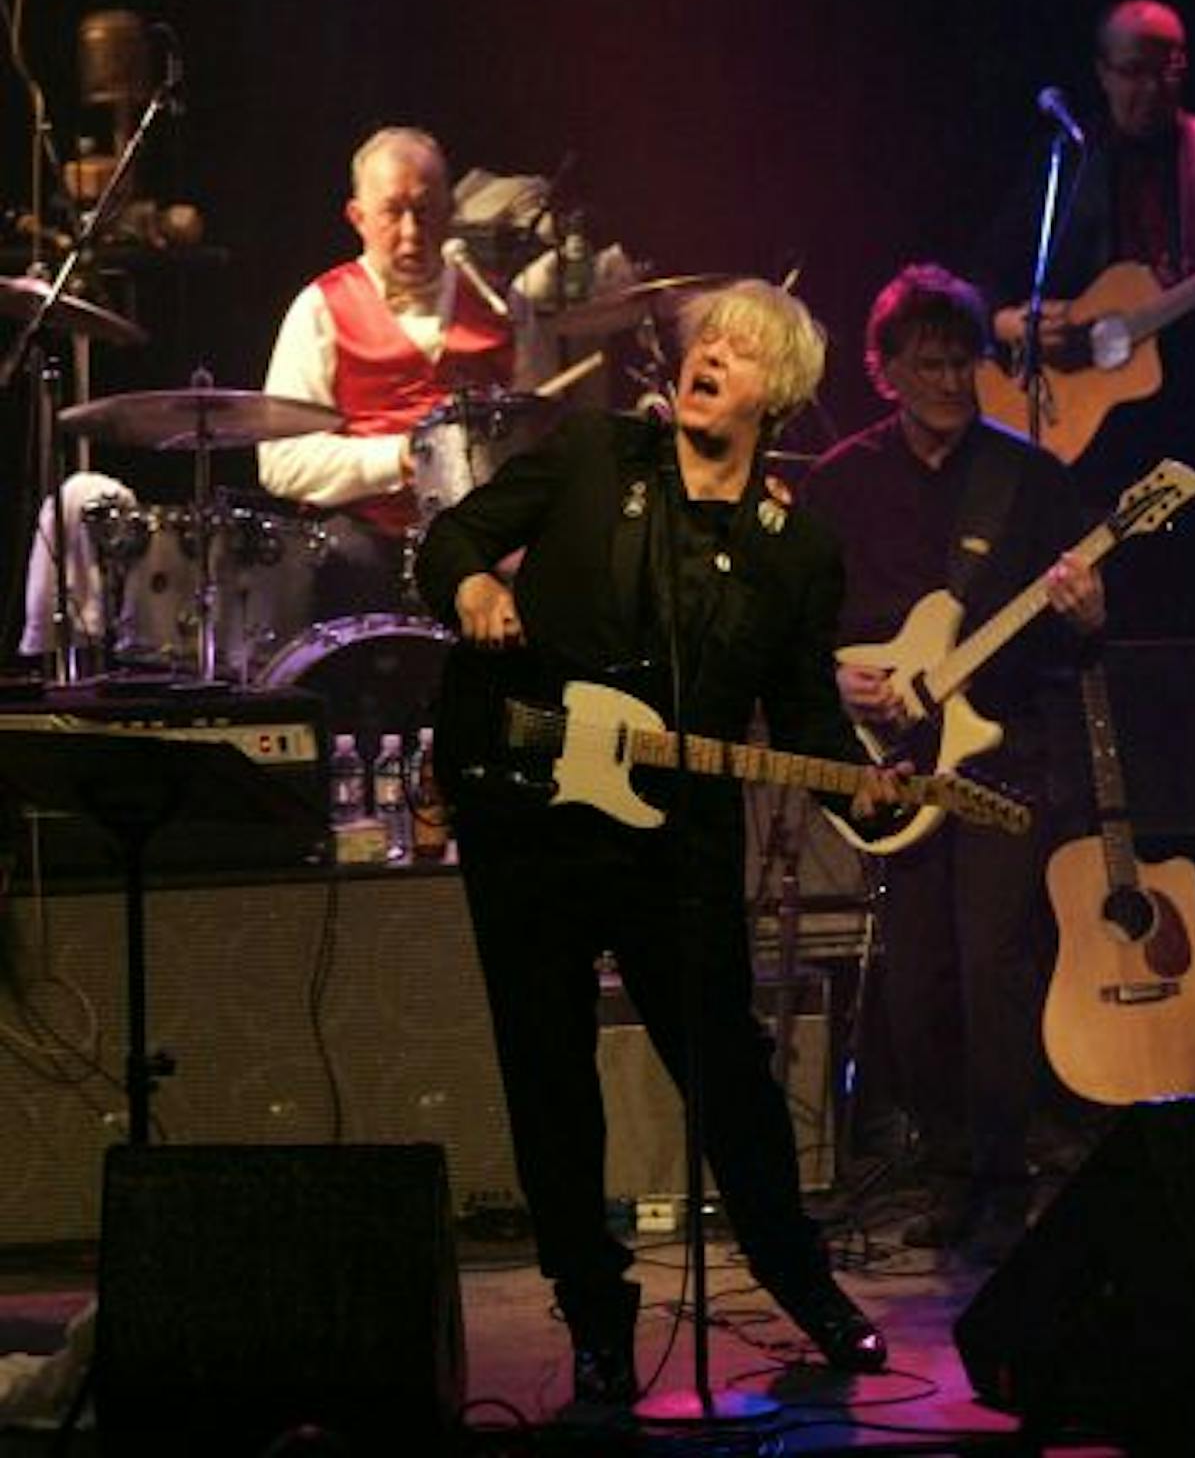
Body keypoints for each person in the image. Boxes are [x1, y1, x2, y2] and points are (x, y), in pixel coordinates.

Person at [414, 279, 895, 1403]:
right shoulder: (592, 455)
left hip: (673, 840)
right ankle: (594, 1318)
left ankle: (801, 1281)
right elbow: (454, 536)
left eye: (739, 351)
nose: (709, 358)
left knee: (728, 1070)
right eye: (703, 343)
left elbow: (808, 719)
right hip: (525, 812)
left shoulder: (797, 553)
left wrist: (863, 793)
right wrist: (477, 583)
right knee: (549, 1075)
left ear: (779, 396)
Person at [798, 264, 1102, 1262]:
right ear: (884, 371)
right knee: (915, 980)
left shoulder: (1030, 476)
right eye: (927, 364)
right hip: (889, 763)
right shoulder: (838, 483)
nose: (950, 381)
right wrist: (841, 688)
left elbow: (1078, 636)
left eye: (963, 361)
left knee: (995, 971)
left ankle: (1004, 1178)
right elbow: (792, 629)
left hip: (1003, 754)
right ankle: (945, 1167)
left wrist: (1087, 612)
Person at [973, 0, 1195, 635]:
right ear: (1101, 72)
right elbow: (988, 276)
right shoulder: (1070, 158)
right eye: (1131, 72)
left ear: (1184, 66)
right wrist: (1013, 323)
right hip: (1098, 437)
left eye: (1165, 70)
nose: (1149, 88)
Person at [264, 126, 546, 615]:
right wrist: (398, 458)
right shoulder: (319, 309)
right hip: (367, 535)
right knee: (344, 563)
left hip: (483, 538)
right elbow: (282, 463)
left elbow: (540, 437)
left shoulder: (502, 306)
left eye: (426, 210)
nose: (413, 232)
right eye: (394, 213)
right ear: (358, 217)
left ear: (450, 213)